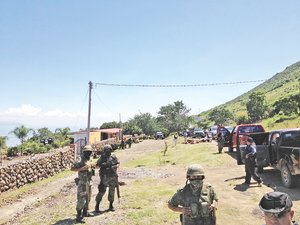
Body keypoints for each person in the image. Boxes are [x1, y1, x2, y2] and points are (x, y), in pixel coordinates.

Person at [71, 145, 95, 223]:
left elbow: (91, 166)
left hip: (89, 181)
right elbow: (72, 168)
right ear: (84, 152)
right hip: (82, 182)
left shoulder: (90, 158)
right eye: (87, 152)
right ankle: (78, 216)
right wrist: (82, 168)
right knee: (81, 199)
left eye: (89, 152)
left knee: (88, 198)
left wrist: (93, 166)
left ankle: (85, 212)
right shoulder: (80, 159)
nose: (88, 153)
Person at [95, 144, 120, 212]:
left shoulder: (113, 157)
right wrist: (102, 165)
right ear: (104, 151)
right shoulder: (102, 158)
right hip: (104, 177)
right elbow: (97, 165)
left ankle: (111, 205)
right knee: (102, 191)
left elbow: (118, 163)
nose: (108, 152)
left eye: (109, 150)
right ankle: (97, 205)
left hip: (112, 176)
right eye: (106, 150)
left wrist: (114, 167)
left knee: (112, 191)